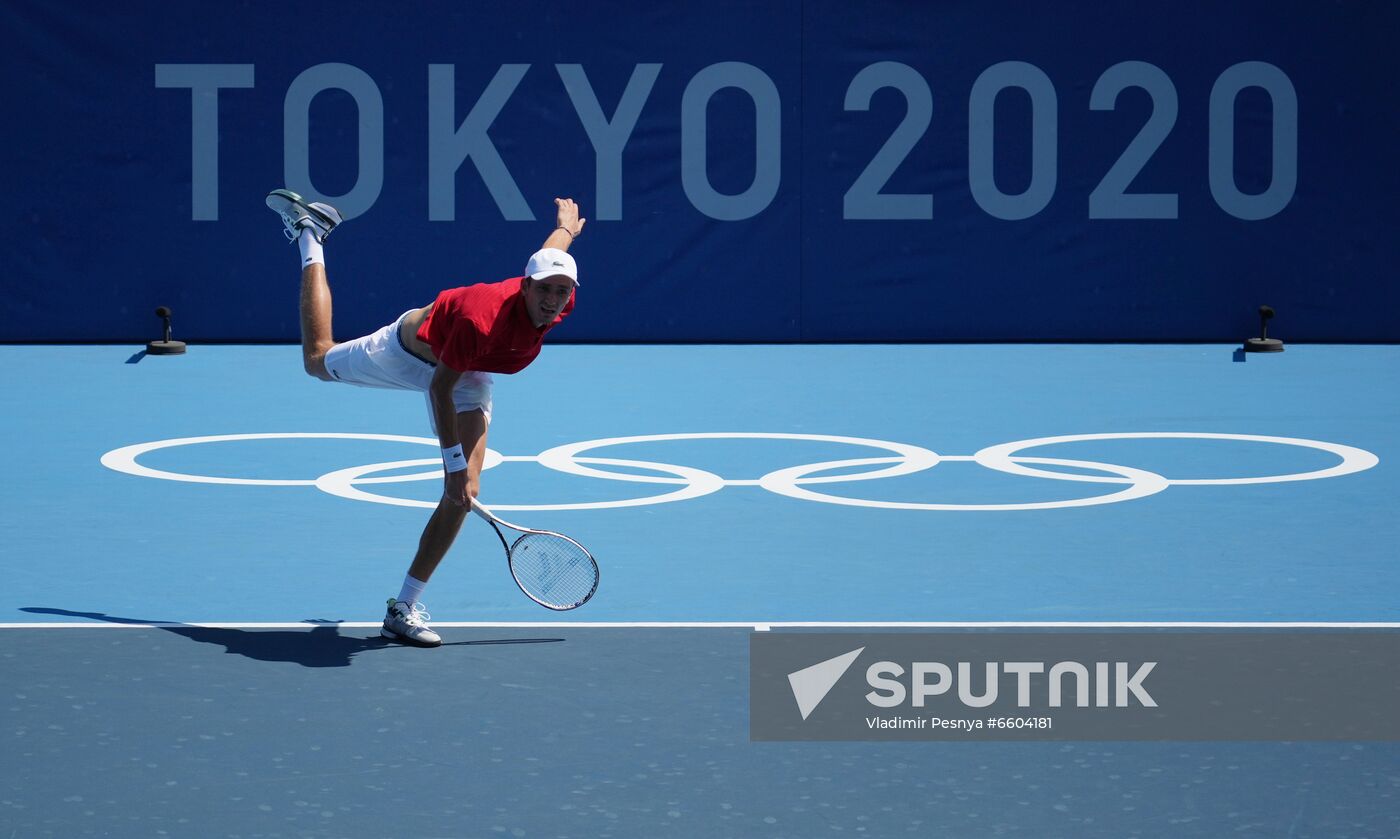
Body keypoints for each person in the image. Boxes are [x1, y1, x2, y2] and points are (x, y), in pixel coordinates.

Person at [266, 189, 585, 647]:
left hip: (471, 369)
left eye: (562, 291)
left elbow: (553, 256)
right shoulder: (483, 320)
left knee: (464, 495)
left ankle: (403, 608)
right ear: (524, 286)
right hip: (407, 354)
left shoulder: (554, 291)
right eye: (545, 290)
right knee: (317, 361)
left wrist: (566, 230)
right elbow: (440, 388)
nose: (553, 300)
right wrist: (453, 466)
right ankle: (311, 236)